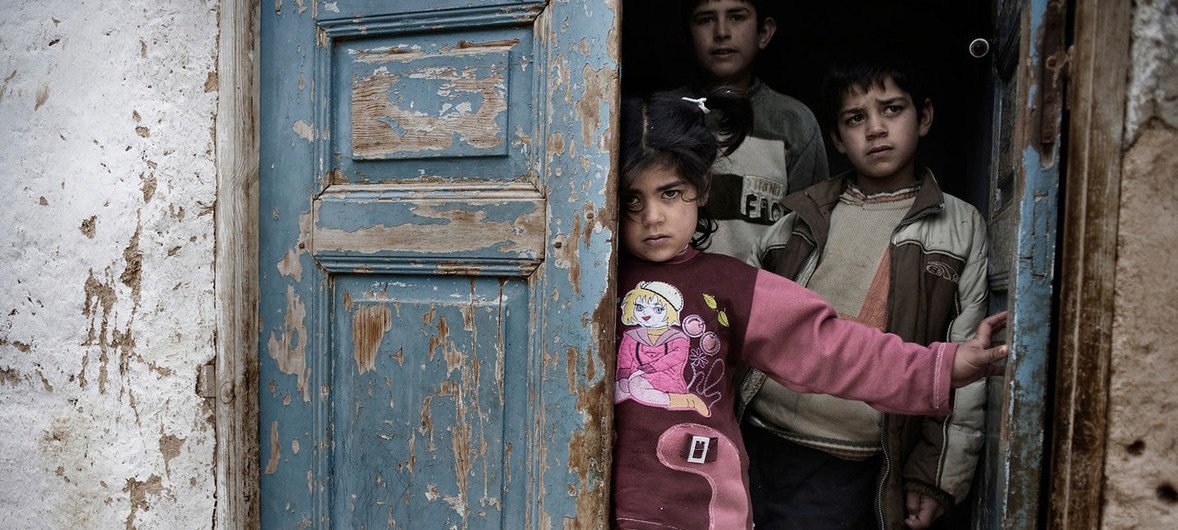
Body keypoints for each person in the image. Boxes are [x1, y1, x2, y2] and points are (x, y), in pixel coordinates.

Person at [611, 89, 1006, 529]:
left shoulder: (732, 286)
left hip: (701, 512)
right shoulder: (588, 285)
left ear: (702, 187)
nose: (652, 217)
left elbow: (832, 349)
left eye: (670, 193)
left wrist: (944, 365)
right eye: (632, 200)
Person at [738, 59, 990, 529]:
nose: (875, 129)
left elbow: (968, 370)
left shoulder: (959, 229)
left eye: (892, 109)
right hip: (757, 439)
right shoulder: (800, 220)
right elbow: (743, 322)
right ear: (836, 138)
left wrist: (934, 476)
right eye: (856, 118)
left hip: (854, 459)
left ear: (925, 117)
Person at [661, 0, 829, 263]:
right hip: (670, 297)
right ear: (688, 34)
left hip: (761, 296)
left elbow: (808, 235)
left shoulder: (793, 123)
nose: (721, 32)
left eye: (737, 17)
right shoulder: (660, 116)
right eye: (706, 19)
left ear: (764, 32)